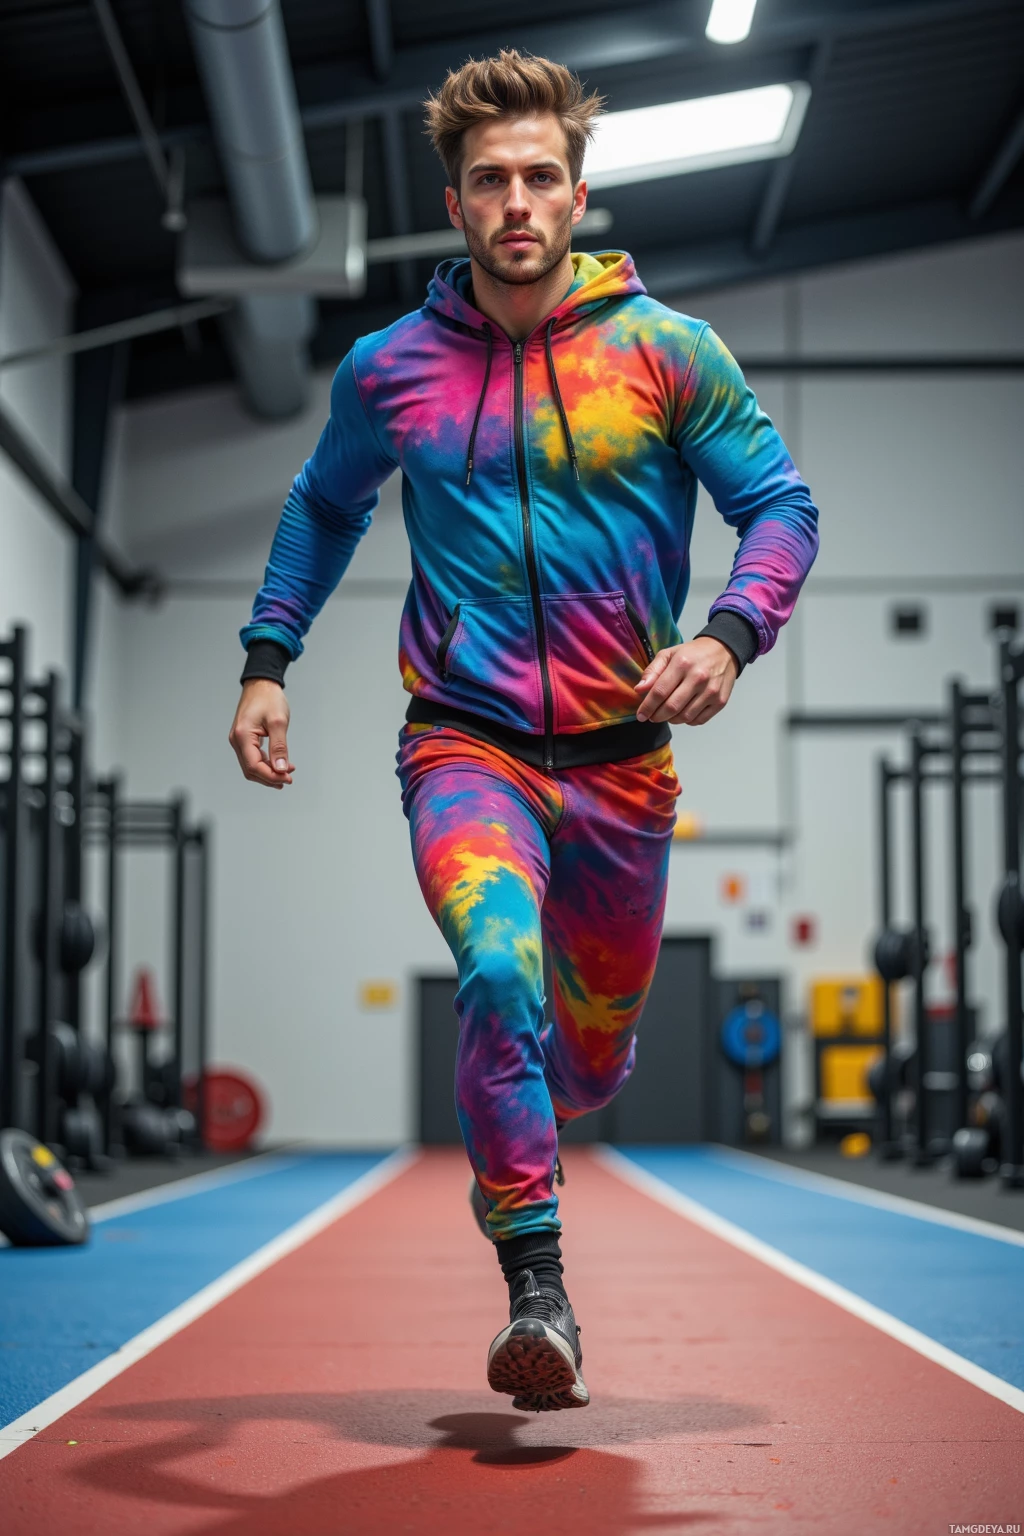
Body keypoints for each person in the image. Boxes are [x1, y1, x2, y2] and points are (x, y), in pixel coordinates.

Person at [229, 50, 819, 1413]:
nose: (515, 201)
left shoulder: (665, 353)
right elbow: (324, 508)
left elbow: (780, 506)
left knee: (591, 1063)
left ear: (577, 193)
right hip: (466, 745)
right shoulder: (395, 372)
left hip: (624, 768)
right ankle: (537, 1290)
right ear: (454, 200)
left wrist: (728, 636)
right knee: (496, 968)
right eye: (490, 179)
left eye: (539, 177)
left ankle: (556, 1109)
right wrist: (269, 659)